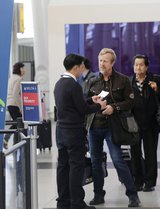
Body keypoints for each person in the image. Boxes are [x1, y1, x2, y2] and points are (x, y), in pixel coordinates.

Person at [86, 48, 141, 207]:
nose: (101, 64)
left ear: (112, 63)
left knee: (118, 160)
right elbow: (85, 102)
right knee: (95, 162)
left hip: (113, 126)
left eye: (105, 61)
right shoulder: (92, 80)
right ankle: (98, 195)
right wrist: (92, 101)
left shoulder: (123, 80)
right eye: (100, 60)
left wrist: (114, 107)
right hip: (94, 126)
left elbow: (131, 102)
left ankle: (132, 195)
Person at [54, 53, 107, 209]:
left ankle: (63, 202)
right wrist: (99, 106)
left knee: (62, 167)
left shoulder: (59, 83)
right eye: (81, 67)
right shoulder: (74, 85)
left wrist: (91, 99)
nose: (82, 71)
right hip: (74, 132)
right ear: (76, 67)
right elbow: (83, 110)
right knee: (76, 167)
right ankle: (77, 203)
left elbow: (73, 104)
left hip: (61, 131)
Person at [129, 54, 160, 192]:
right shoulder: (129, 82)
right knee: (135, 154)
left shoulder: (156, 80)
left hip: (151, 124)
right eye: (135, 64)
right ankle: (137, 180)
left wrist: (157, 89)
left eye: (141, 64)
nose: (138, 67)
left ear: (146, 67)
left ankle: (150, 182)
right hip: (134, 124)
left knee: (150, 153)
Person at [3, 62, 25, 149]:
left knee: (17, 123)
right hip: (14, 104)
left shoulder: (11, 78)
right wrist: (20, 107)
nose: (24, 70)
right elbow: (15, 94)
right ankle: (8, 140)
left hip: (10, 103)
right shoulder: (18, 79)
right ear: (19, 69)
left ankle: (15, 143)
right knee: (18, 122)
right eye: (23, 68)